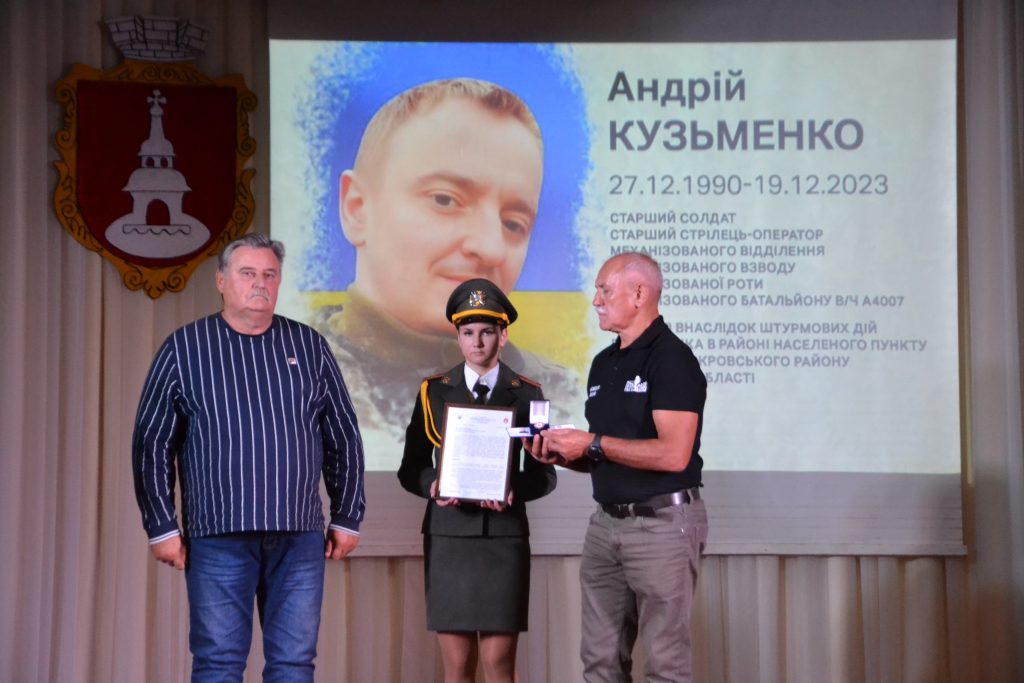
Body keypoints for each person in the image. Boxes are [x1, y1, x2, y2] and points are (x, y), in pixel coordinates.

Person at [131, 233, 366, 682]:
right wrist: (161, 525)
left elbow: (343, 436)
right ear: (221, 281)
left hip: (297, 536)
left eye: (269, 274)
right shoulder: (184, 349)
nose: (260, 283)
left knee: (294, 664)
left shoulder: (310, 347)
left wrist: (347, 516)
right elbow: (151, 443)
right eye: (248, 273)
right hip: (218, 535)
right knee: (218, 663)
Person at [317, 77, 578, 449]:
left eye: (513, 224)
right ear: (357, 209)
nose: (491, 248)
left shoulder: (558, 390)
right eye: (444, 200)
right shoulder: (302, 373)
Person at [527, 252, 708, 683]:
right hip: (605, 526)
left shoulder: (672, 358)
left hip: (662, 524)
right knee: (600, 662)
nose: (596, 301)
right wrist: (566, 456)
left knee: (665, 665)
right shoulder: (603, 363)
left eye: (605, 290)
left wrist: (591, 443)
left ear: (639, 293)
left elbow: (674, 455)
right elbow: (608, 452)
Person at [398, 278, 557, 683]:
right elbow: (410, 467)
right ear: (457, 337)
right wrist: (433, 485)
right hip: (450, 537)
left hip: (503, 539)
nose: (477, 342)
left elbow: (545, 476)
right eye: (468, 333)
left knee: (499, 664)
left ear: (504, 336)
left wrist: (513, 490)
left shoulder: (529, 394)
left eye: (487, 332)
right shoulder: (433, 392)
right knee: (457, 668)